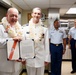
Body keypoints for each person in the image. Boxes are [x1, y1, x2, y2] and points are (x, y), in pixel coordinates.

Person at [23, 7, 50, 75]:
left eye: (38, 14)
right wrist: (23, 58)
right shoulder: (25, 28)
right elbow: (23, 44)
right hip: (29, 58)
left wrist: (47, 58)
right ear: (32, 14)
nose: (36, 15)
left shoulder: (44, 29)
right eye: (35, 13)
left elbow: (46, 44)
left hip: (41, 58)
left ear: (40, 15)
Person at [0, 7, 23, 75]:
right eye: (12, 15)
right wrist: (11, 40)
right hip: (5, 66)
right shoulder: (0, 27)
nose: (14, 17)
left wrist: (22, 57)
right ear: (7, 15)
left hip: (17, 65)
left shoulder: (19, 29)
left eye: (16, 16)